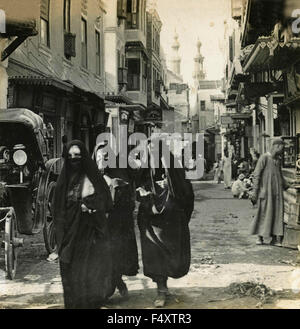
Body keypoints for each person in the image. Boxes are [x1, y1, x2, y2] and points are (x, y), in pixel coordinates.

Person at [52, 140, 114, 309]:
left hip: (90, 233)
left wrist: (90, 204)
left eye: (77, 155)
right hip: (70, 236)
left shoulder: (93, 176)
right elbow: (57, 210)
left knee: (90, 273)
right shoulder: (63, 181)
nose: (74, 159)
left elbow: (106, 201)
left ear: (84, 157)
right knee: (71, 275)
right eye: (70, 156)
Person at [136, 138, 194, 308]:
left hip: (172, 221)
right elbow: (137, 190)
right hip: (151, 220)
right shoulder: (144, 170)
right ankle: (161, 289)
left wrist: (169, 187)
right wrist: (143, 194)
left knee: (173, 257)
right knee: (154, 254)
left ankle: (165, 283)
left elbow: (186, 194)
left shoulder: (175, 169)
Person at [93, 142, 139, 299]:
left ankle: (116, 283)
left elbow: (128, 202)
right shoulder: (91, 176)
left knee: (115, 255)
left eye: (105, 157)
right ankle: (108, 288)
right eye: (99, 157)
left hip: (117, 224)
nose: (102, 160)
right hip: (97, 225)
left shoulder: (119, 175)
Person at [250, 138, 289, 247]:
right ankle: (260, 237)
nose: (282, 150)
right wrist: (255, 191)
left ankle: (275, 238)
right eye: (282, 147)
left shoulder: (278, 160)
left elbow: (280, 176)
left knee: (276, 215)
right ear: (276, 146)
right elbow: (256, 175)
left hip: (277, 193)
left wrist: (288, 185)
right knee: (263, 214)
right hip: (266, 192)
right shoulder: (264, 158)